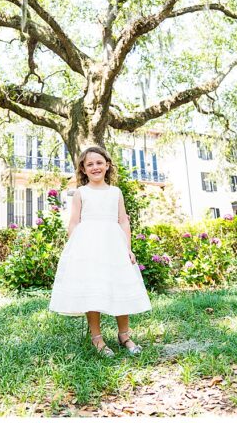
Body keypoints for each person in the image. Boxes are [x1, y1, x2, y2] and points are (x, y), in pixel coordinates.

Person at [49, 146, 152, 357]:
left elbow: (123, 220)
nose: (95, 167)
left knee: (119, 286)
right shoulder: (81, 192)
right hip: (88, 246)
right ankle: (97, 338)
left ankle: (124, 335)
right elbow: (74, 222)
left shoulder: (115, 192)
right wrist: (75, 249)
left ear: (107, 165)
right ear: (83, 170)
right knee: (92, 289)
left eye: (99, 163)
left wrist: (128, 249)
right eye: (90, 164)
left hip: (113, 244)